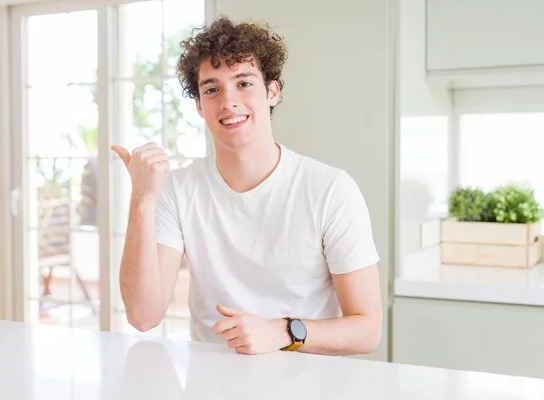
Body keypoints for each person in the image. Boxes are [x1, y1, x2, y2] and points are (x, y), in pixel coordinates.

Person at [111, 16, 382, 356]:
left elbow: (368, 329)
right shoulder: (178, 190)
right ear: (199, 106)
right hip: (210, 382)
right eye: (212, 89)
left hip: (308, 381)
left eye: (244, 83)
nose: (228, 101)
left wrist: (283, 332)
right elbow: (143, 316)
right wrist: (141, 201)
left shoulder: (330, 190)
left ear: (272, 91)